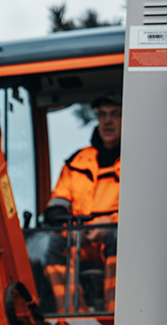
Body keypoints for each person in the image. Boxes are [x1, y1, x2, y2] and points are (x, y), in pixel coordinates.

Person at [31, 94, 122, 311]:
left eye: (115, 114)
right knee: (51, 246)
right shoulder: (76, 162)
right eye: (102, 115)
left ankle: (115, 315)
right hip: (80, 240)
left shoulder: (141, 160)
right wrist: (67, 225)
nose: (107, 121)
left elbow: (143, 209)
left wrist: (111, 223)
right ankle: (71, 315)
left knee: (119, 239)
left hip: (115, 235)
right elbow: (59, 200)